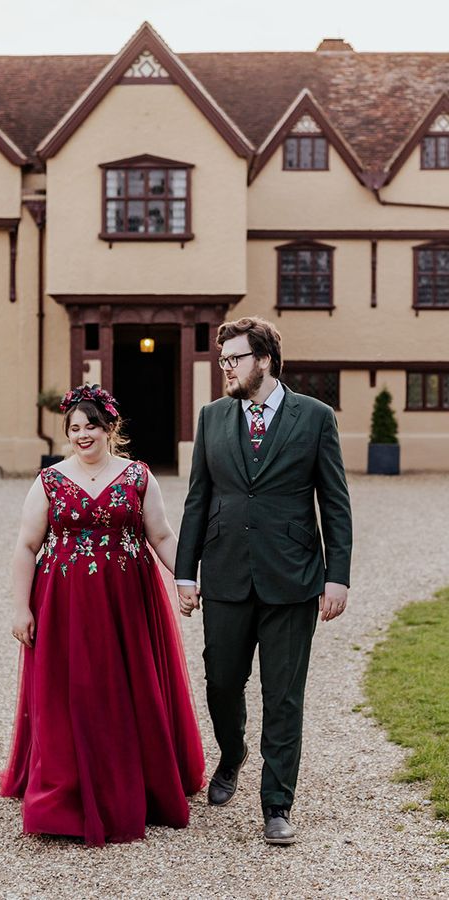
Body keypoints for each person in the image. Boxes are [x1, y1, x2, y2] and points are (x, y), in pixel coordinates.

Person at [0, 383, 204, 846]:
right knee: (71, 689)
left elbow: (163, 536)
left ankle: (140, 781)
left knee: (126, 686)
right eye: (74, 427)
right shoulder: (49, 480)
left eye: (91, 425)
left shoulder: (138, 476)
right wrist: (19, 608)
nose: (82, 434)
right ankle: (62, 792)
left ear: (110, 427)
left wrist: (187, 579)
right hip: (64, 604)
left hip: (127, 602)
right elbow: (27, 546)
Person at [175, 317, 352, 846]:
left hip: (293, 578)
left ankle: (277, 803)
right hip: (226, 572)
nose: (225, 367)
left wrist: (336, 576)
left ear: (265, 360)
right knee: (222, 682)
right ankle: (232, 754)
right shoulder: (211, 418)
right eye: (223, 359)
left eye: (234, 358)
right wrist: (187, 572)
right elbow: (197, 498)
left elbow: (335, 502)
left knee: (284, 697)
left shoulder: (315, 417)